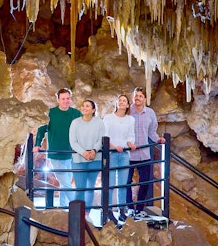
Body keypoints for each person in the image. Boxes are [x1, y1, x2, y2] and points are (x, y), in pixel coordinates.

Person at [33, 88, 81, 208]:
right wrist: (37, 144)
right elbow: (41, 129)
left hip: (72, 154)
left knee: (65, 184)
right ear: (58, 100)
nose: (66, 101)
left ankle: (63, 208)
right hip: (56, 154)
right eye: (63, 99)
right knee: (65, 182)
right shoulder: (51, 113)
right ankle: (80, 208)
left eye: (68, 98)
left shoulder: (76, 113)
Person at [126, 87, 166, 218]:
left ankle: (140, 208)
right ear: (133, 98)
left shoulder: (150, 113)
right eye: (135, 96)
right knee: (126, 181)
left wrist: (158, 139)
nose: (137, 98)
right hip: (128, 153)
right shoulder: (127, 111)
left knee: (145, 181)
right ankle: (130, 207)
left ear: (145, 99)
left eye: (140, 96)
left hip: (143, 153)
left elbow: (151, 132)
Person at [69, 100, 105, 220]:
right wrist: (84, 153)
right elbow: (73, 141)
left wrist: (94, 150)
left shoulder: (99, 122)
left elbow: (101, 139)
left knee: (90, 188)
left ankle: (87, 214)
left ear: (93, 110)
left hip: (95, 159)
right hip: (79, 159)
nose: (84, 108)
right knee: (80, 188)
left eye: (87, 106)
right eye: (83, 106)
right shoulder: (75, 123)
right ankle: (78, 214)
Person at [103, 95, 136, 225]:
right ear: (117, 103)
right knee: (110, 183)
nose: (122, 102)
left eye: (124, 101)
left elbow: (130, 135)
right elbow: (105, 135)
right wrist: (113, 147)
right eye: (120, 100)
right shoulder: (108, 118)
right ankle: (109, 210)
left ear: (128, 105)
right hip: (112, 152)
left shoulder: (130, 120)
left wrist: (130, 144)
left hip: (124, 153)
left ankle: (122, 210)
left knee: (123, 183)